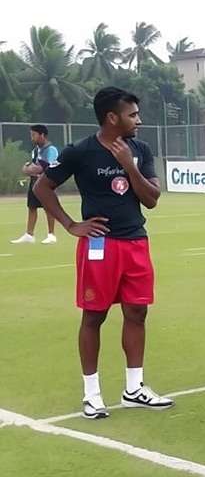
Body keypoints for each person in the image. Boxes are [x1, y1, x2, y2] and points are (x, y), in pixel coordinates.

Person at [33, 87, 175, 419]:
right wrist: (70, 225)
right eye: (133, 114)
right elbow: (42, 187)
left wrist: (130, 166)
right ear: (112, 117)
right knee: (94, 316)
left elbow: (152, 199)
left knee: (137, 313)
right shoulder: (80, 151)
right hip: (100, 246)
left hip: (136, 242)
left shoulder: (139, 149)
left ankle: (134, 388)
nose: (138, 120)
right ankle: (92, 394)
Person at [11, 124, 59, 245]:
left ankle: (51, 234)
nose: (32, 137)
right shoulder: (35, 151)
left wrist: (31, 169)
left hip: (46, 184)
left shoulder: (51, 150)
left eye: (34, 135)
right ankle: (29, 234)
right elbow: (29, 167)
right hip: (34, 183)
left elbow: (43, 167)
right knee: (32, 207)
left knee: (48, 208)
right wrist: (30, 169)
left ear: (42, 135)